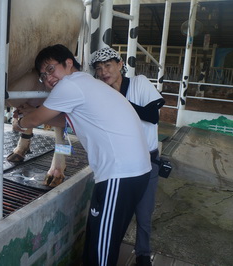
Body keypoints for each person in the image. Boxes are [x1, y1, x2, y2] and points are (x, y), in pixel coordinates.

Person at [12, 44, 152, 266]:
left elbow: (34, 121)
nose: (48, 78)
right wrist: (35, 113)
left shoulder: (70, 85)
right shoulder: (88, 85)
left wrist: (20, 122)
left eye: (51, 69)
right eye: (43, 75)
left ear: (69, 63)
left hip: (120, 174)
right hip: (129, 173)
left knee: (101, 253)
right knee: (99, 238)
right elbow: (69, 122)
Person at [90, 47, 165, 266]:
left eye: (108, 66)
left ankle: (142, 255)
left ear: (120, 64)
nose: (104, 72)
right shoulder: (101, 94)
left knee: (143, 214)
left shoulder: (139, 83)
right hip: (118, 164)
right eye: (99, 68)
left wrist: (117, 99)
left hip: (147, 161)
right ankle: (110, 251)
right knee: (115, 215)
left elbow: (152, 116)